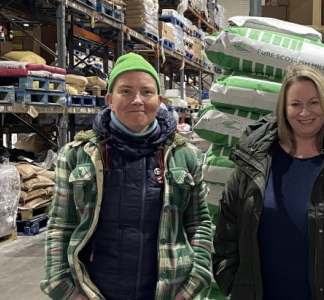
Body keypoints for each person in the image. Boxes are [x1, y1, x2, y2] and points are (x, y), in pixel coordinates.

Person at [212, 64, 324, 300]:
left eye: (314, 102)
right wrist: (232, 281)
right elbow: (228, 225)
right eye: (295, 104)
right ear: (284, 108)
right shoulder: (256, 157)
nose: (305, 112)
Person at [40, 53, 213, 300]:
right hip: (95, 290)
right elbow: (60, 226)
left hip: (169, 291)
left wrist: (194, 281)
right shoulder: (77, 155)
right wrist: (63, 286)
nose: (137, 100)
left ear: (159, 99)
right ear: (110, 99)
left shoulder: (185, 156)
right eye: (126, 91)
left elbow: (199, 224)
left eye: (147, 92)